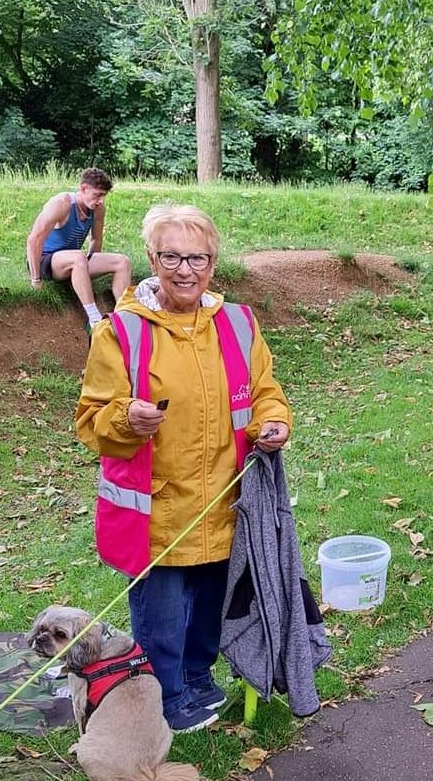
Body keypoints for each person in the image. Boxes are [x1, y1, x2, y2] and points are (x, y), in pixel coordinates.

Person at [76, 204, 291, 734]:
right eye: (171, 256)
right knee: (163, 619)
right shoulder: (120, 332)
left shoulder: (238, 323)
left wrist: (273, 422)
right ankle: (165, 697)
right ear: (152, 258)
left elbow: (264, 393)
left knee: (212, 611)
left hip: (227, 502)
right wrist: (128, 417)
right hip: (160, 512)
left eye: (197, 257)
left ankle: (198, 677)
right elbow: (91, 421)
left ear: (213, 262)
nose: (185, 269)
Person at [26, 168, 132, 330]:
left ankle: (125, 316)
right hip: (46, 260)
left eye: (104, 196)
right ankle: (95, 319)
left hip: (74, 261)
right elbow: (34, 240)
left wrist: (87, 271)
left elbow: (96, 239)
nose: (101, 200)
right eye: (97, 195)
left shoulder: (98, 209)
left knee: (122, 262)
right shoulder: (62, 203)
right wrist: (36, 280)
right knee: (78, 257)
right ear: (83, 189)